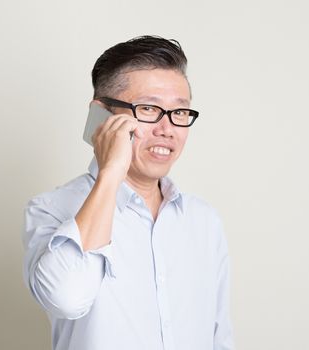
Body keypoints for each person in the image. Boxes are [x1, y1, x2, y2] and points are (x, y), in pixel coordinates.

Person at [22, 35, 234, 350]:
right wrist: (109, 173)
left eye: (180, 112)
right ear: (101, 116)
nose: (168, 128)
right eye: (149, 108)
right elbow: (67, 298)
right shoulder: (50, 209)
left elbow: (220, 337)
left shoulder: (203, 221)